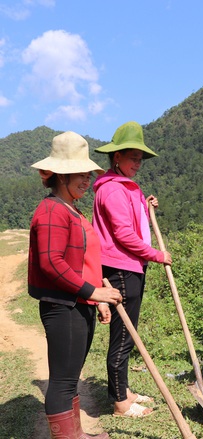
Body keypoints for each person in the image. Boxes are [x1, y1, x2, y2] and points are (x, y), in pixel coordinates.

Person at [29, 131, 122, 438]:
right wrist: (91, 291)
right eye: (79, 175)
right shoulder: (52, 210)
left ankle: (77, 434)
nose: (87, 181)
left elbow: (81, 261)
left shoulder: (72, 209)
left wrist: (97, 295)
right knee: (63, 380)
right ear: (59, 175)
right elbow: (51, 262)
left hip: (79, 302)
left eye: (88, 175)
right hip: (64, 305)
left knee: (70, 377)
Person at [92, 121, 172, 418]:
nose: (137, 164)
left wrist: (145, 202)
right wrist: (156, 255)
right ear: (117, 157)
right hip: (120, 268)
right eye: (132, 158)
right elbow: (123, 234)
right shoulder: (112, 189)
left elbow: (132, 216)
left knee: (128, 333)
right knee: (123, 335)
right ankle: (119, 403)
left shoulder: (126, 187)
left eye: (140, 159)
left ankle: (123, 389)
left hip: (131, 267)